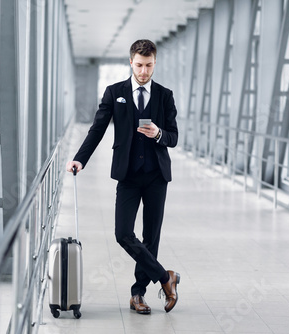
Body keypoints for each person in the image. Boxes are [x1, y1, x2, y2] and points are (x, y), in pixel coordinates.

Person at [66, 39, 180, 314]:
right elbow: (97, 129)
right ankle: (166, 278)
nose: (144, 71)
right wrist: (80, 158)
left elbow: (174, 137)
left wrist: (160, 134)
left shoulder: (164, 95)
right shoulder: (114, 92)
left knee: (151, 237)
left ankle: (138, 294)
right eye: (139, 65)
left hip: (156, 175)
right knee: (122, 234)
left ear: (155, 63)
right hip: (128, 174)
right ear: (131, 62)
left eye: (149, 65)